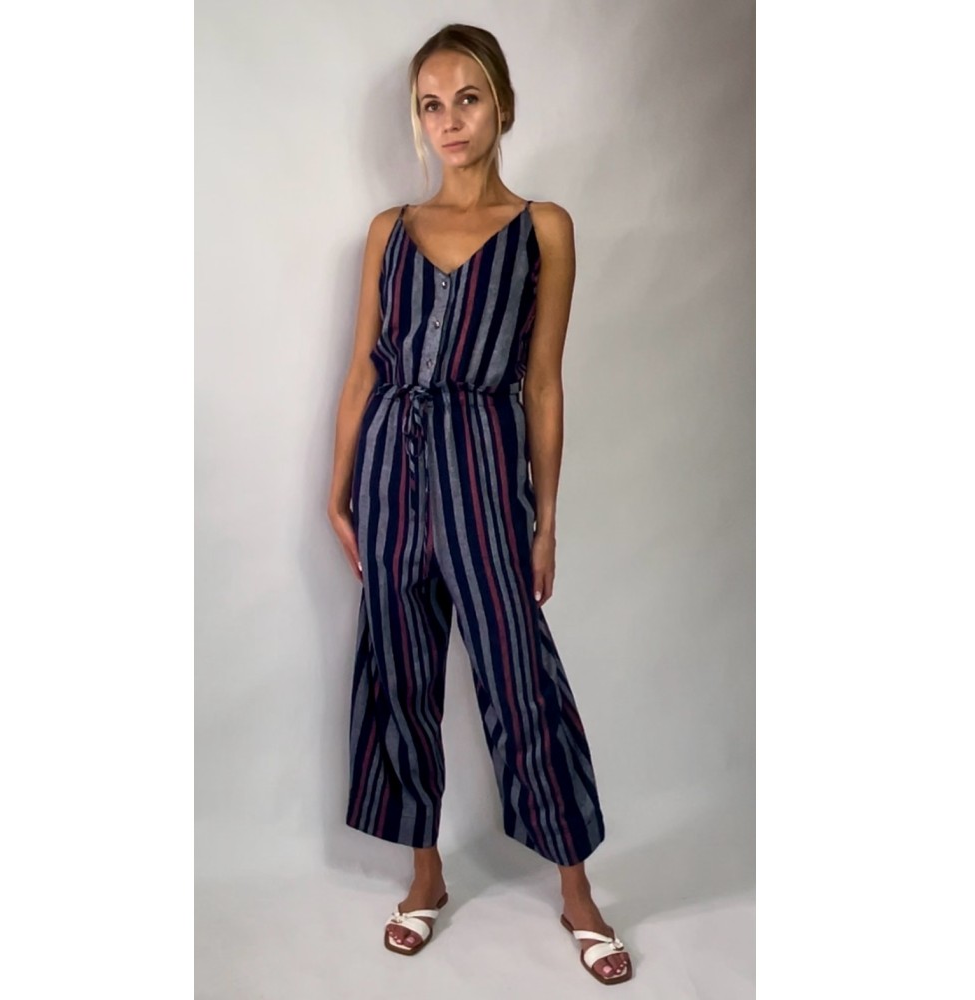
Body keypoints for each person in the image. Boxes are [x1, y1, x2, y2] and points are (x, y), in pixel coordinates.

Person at [327, 23, 632, 985]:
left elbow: (542, 383)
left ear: (502, 104)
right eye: (431, 104)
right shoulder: (389, 231)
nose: (450, 119)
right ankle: (425, 875)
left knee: (519, 676)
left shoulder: (544, 227)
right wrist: (338, 488)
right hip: (391, 467)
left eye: (468, 98)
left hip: (484, 468)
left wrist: (546, 519)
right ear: (417, 122)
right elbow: (361, 370)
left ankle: (577, 889)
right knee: (399, 668)